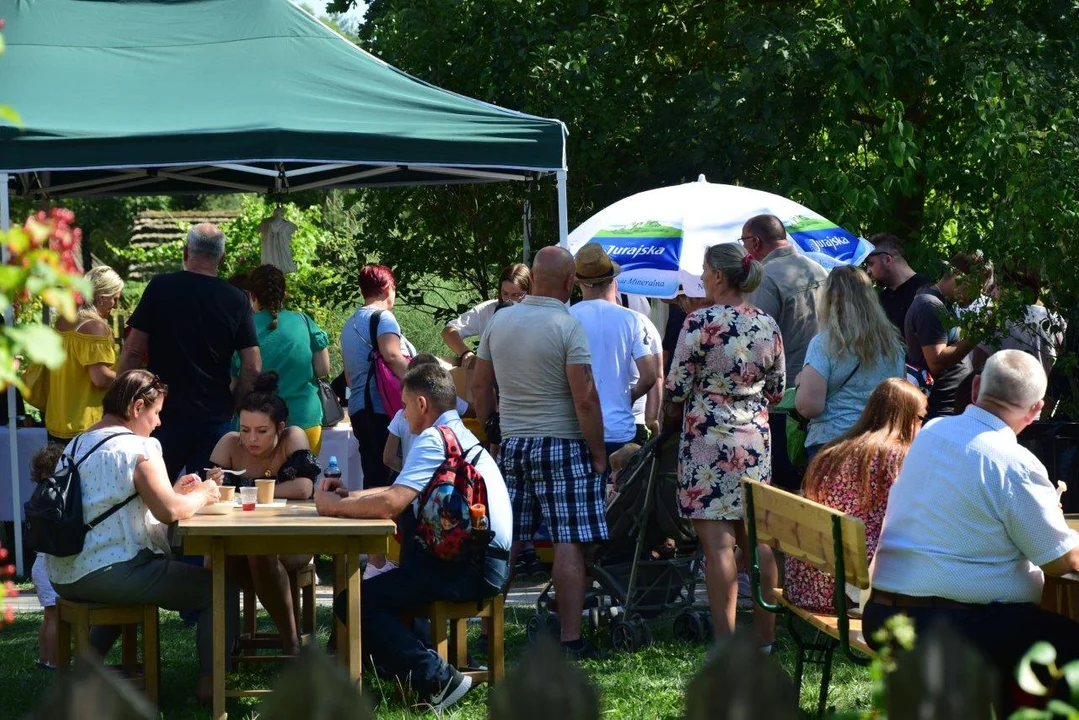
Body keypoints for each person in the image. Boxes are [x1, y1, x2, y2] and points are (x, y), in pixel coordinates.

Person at [864, 350, 1079, 712]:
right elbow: (1061, 561)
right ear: (1037, 408)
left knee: (1030, 636)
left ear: (976, 386)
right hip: (953, 625)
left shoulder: (932, 432)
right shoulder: (1016, 464)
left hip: (885, 616)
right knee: (1063, 652)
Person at [316, 363, 511, 711]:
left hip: (467, 568)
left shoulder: (433, 438)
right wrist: (346, 497)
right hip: (483, 562)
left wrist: (331, 509)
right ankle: (414, 674)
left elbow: (392, 502)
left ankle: (437, 678)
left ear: (422, 404)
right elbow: (397, 490)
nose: (402, 416)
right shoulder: (459, 434)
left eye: (404, 406)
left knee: (356, 601)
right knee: (391, 583)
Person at [46, 370, 234, 701]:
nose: (159, 422)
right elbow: (170, 513)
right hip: (108, 573)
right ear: (136, 407)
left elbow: (118, 502)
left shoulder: (76, 444)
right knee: (216, 588)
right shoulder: (141, 447)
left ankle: (83, 675)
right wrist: (203, 494)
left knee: (127, 587)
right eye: (156, 412)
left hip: (63, 573)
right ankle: (210, 685)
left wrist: (175, 493)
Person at [473, 246, 608, 660]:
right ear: (571, 283)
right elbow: (583, 398)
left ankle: (486, 629)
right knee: (568, 541)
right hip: (563, 444)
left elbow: (480, 386)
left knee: (507, 541)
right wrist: (599, 455)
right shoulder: (566, 325)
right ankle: (570, 638)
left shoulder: (500, 321)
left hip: (514, 443)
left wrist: (493, 429)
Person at [666, 242, 785, 650]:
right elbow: (777, 389)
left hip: (708, 445)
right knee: (758, 541)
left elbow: (677, 387)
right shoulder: (767, 324)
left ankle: (727, 644)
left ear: (718, 274)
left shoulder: (698, 323)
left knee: (718, 546)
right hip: (754, 441)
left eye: (703, 269)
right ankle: (766, 640)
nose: (700, 277)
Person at [119, 224, 261, 480]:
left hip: (161, 413)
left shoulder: (160, 287)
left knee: (150, 495)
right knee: (208, 497)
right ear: (222, 258)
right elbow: (252, 365)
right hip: (214, 415)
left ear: (185, 252)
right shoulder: (236, 298)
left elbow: (133, 350)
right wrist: (237, 403)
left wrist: (121, 402)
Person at [784, 378, 927, 613]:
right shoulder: (897, 456)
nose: (922, 425)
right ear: (905, 417)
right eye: (920, 418)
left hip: (805, 580)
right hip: (845, 588)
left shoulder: (835, 448)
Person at [207, 372, 320, 656]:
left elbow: (304, 487)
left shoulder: (293, 437)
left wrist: (245, 491)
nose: (251, 439)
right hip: (239, 539)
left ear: (279, 427)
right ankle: (221, 651)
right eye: (245, 429)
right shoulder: (229, 443)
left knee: (259, 550)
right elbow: (209, 491)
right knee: (216, 557)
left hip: (292, 538)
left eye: (261, 431)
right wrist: (216, 484)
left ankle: (290, 643)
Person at [741, 214, 827, 491]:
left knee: (783, 490)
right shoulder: (818, 269)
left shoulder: (765, 278)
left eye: (744, 243)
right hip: (823, 388)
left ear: (755, 242)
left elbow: (757, 344)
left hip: (783, 400)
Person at [340, 264, 415, 576]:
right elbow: (393, 356)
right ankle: (380, 560)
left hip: (359, 409)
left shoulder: (348, 325)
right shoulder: (383, 317)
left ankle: (374, 558)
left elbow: (347, 375)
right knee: (394, 481)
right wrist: (423, 384)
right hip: (384, 409)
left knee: (373, 479)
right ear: (388, 289)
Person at [795, 266, 906, 458]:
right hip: (878, 444)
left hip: (832, 444)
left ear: (829, 299)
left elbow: (809, 407)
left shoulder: (824, 343)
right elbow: (898, 394)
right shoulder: (892, 345)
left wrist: (800, 382)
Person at [568, 244, 659, 457]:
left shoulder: (566, 319)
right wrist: (628, 396)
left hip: (577, 430)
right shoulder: (632, 319)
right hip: (620, 428)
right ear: (612, 280)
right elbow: (649, 376)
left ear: (579, 282)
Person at [239, 264, 331, 454]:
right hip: (305, 419)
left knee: (261, 483)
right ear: (284, 293)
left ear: (252, 296)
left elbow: (235, 379)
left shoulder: (243, 327)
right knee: (304, 481)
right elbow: (323, 369)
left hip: (259, 426)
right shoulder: (304, 321)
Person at [904, 249, 992, 418]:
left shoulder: (944, 305)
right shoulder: (930, 305)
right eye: (977, 287)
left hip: (949, 407)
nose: (977, 295)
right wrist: (979, 333)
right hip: (939, 410)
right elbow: (936, 362)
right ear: (959, 275)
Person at [44, 265, 124, 444]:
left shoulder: (62, 322)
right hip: (87, 424)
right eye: (115, 299)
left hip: (58, 420)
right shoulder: (95, 327)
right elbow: (100, 378)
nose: (116, 305)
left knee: (60, 471)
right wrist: (129, 378)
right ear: (102, 298)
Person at [383, 354, 470, 474]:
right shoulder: (450, 400)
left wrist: (408, 471)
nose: (406, 415)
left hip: (415, 480)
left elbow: (389, 457)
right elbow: (472, 410)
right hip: (444, 479)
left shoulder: (399, 416)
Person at [441, 263, 531, 363]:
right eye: (505, 293)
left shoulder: (538, 316)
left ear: (529, 292)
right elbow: (449, 331)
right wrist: (465, 353)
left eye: (516, 295)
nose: (509, 300)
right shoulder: (488, 309)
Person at [29, 443, 66, 670]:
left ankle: (44, 658)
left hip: (39, 564)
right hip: (48, 566)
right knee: (55, 618)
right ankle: (54, 661)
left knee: (48, 617)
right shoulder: (56, 498)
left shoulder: (39, 496)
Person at [863, 233, 932, 332]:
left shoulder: (927, 291)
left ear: (887, 259)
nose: (868, 271)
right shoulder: (880, 301)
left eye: (870, 263)